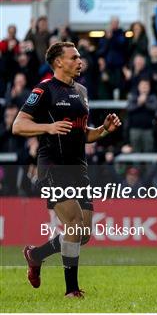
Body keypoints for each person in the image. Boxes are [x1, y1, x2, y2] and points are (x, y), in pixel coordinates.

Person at [12, 42, 122, 298]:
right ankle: (71, 291)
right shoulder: (44, 89)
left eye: (80, 57)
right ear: (59, 62)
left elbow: (84, 135)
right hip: (53, 166)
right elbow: (18, 125)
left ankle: (36, 254)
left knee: (83, 234)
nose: (79, 61)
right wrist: (47, 128)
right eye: (74, 57)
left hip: (78, 168)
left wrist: (104, 130)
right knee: (73, 223)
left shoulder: (81, 91)